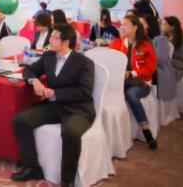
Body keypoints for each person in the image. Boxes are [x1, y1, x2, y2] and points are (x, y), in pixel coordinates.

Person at [11, 24, 95, 186]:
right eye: (51, 37)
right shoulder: (49, 56)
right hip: (54, 106)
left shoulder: (84, 62)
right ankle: (32, 167)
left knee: (70, 132)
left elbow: (84, 91)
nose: (50, 40)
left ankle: (67, 180)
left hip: (78, 110)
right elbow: (28, 70)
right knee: (20, 120)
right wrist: (34, 81)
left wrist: (55, 93)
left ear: (66, 42)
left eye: (54, 38)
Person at [109, 15, 158, 149]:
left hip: (141, 83)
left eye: (125, 24)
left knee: (131, 94)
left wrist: (132, 73)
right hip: (120, 83)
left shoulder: (146, 45)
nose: (122, 27)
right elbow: (111, 63)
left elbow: (150, 69)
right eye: (121, 24)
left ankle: (146, 131)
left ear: (135, 27)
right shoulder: (117, 43)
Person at [163, 16, 183, 80]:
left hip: (182, 70)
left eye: (164, 24)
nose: (162, 27)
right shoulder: (165, 39)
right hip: (171, 68)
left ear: (172, 27)